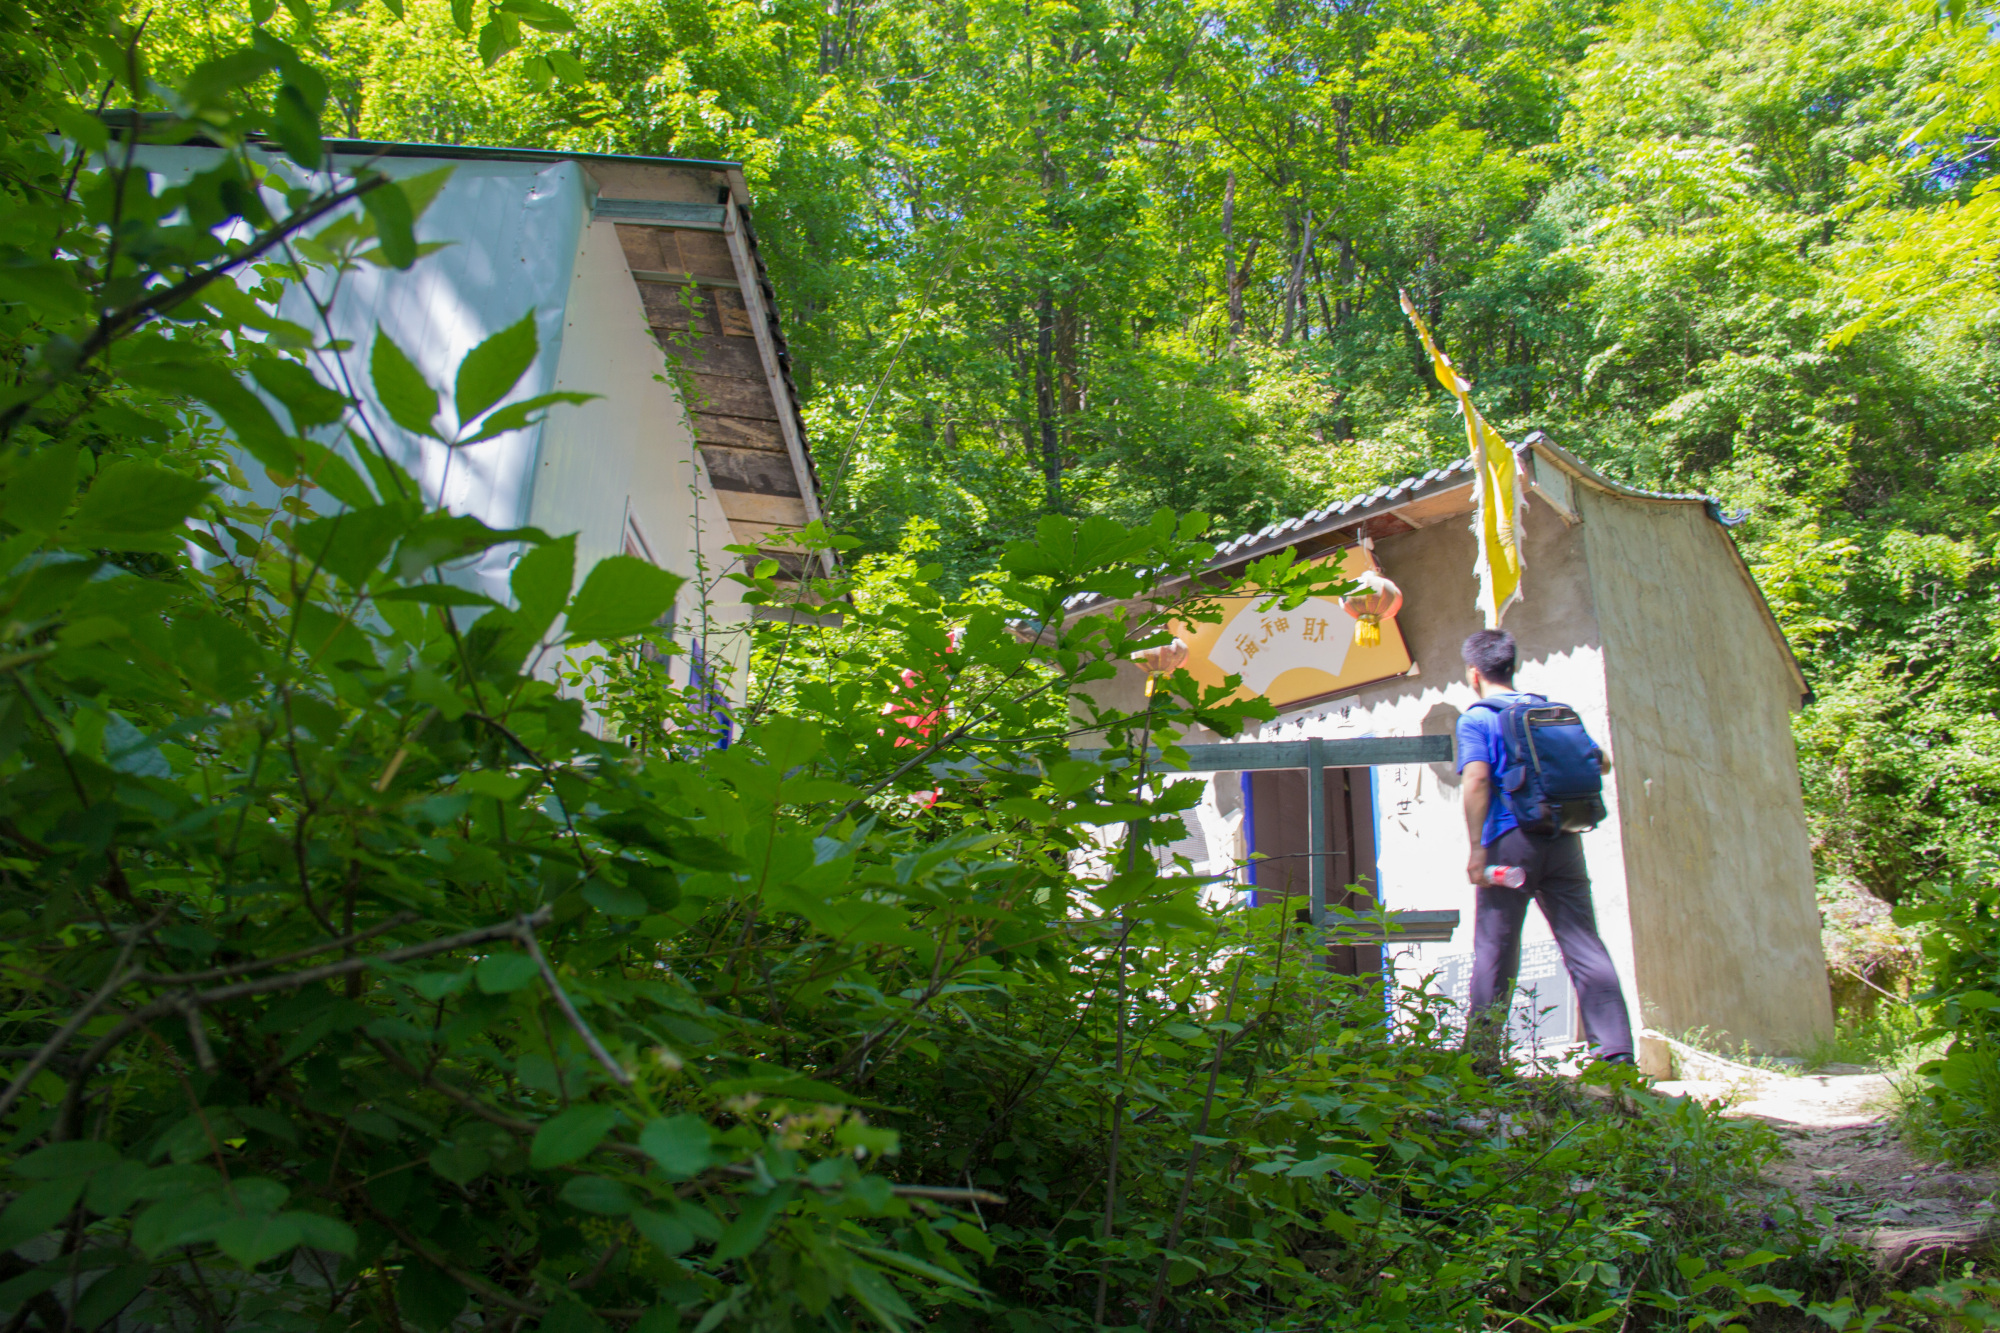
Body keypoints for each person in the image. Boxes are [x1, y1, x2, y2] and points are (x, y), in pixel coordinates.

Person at [1455, 629, 1634, 1067]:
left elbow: (1476, 779)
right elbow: (1601, 761)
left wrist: (1477, 847)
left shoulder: (1477, 719)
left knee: (1496, 948)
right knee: (1584, 945)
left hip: (1509, 845)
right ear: (1511, 665)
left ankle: (1480, 1060)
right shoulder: (1551, 711)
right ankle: (1616, 1055)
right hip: (1563, 836)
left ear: (1473, 672)